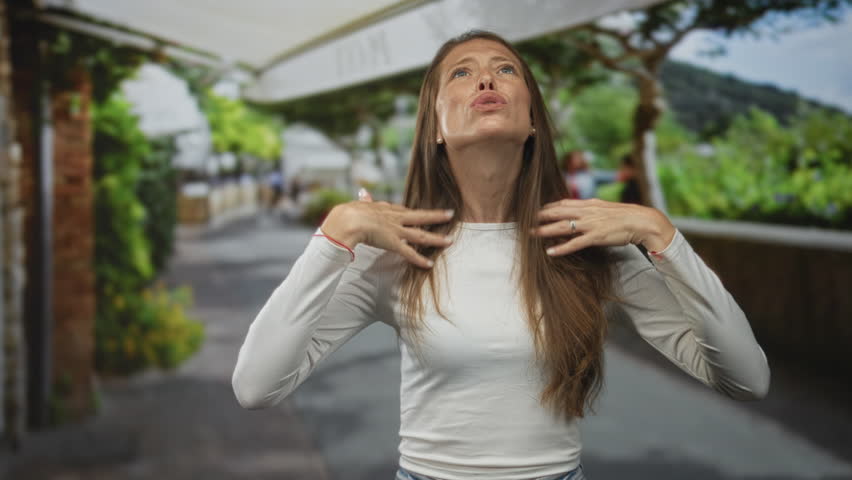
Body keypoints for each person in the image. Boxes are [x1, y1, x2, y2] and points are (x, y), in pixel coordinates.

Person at [232, 30, 770, 480]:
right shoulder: (400, 249)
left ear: (534, 119)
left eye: (505, 70)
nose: (486, 79)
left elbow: (748, 379)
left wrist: (660, 234)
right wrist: (334, 237)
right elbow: (255, 386)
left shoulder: (584, 244)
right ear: (436, 128)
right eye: (461, 73)